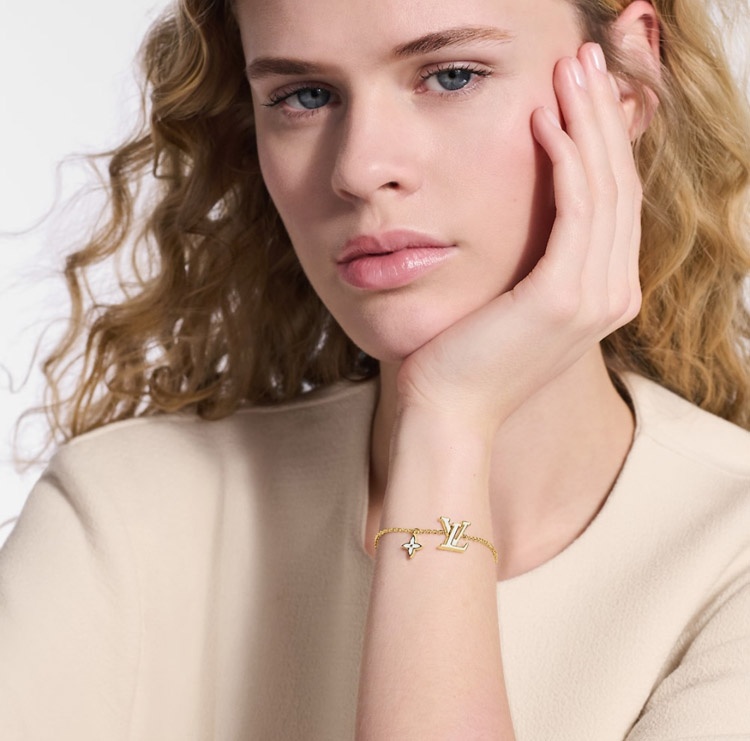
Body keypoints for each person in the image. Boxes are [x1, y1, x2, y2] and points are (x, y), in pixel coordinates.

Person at [1, 0, 749, 738]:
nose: (359, 169)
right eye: (304, 96)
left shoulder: (732, 558)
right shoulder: (124, 519)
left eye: (452, 76)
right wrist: (447, 422)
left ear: (626, 82)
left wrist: (447, 421)